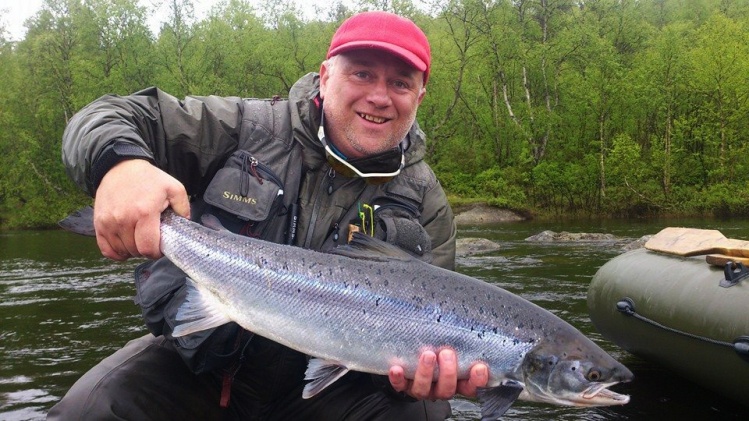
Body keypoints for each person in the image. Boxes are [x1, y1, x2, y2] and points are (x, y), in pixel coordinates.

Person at [48, 11, 489, 420]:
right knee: (91, 407)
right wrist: (121, 166)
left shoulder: (425, 200)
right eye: (362, 74)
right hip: (204, 373)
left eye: (400, 83)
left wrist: (417, 383)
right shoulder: (245, 128)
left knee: (424, 413)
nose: (379, 96)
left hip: (333, 393)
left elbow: (431, 339)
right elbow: (110, 114)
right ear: (325, 75)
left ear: (420, 96)